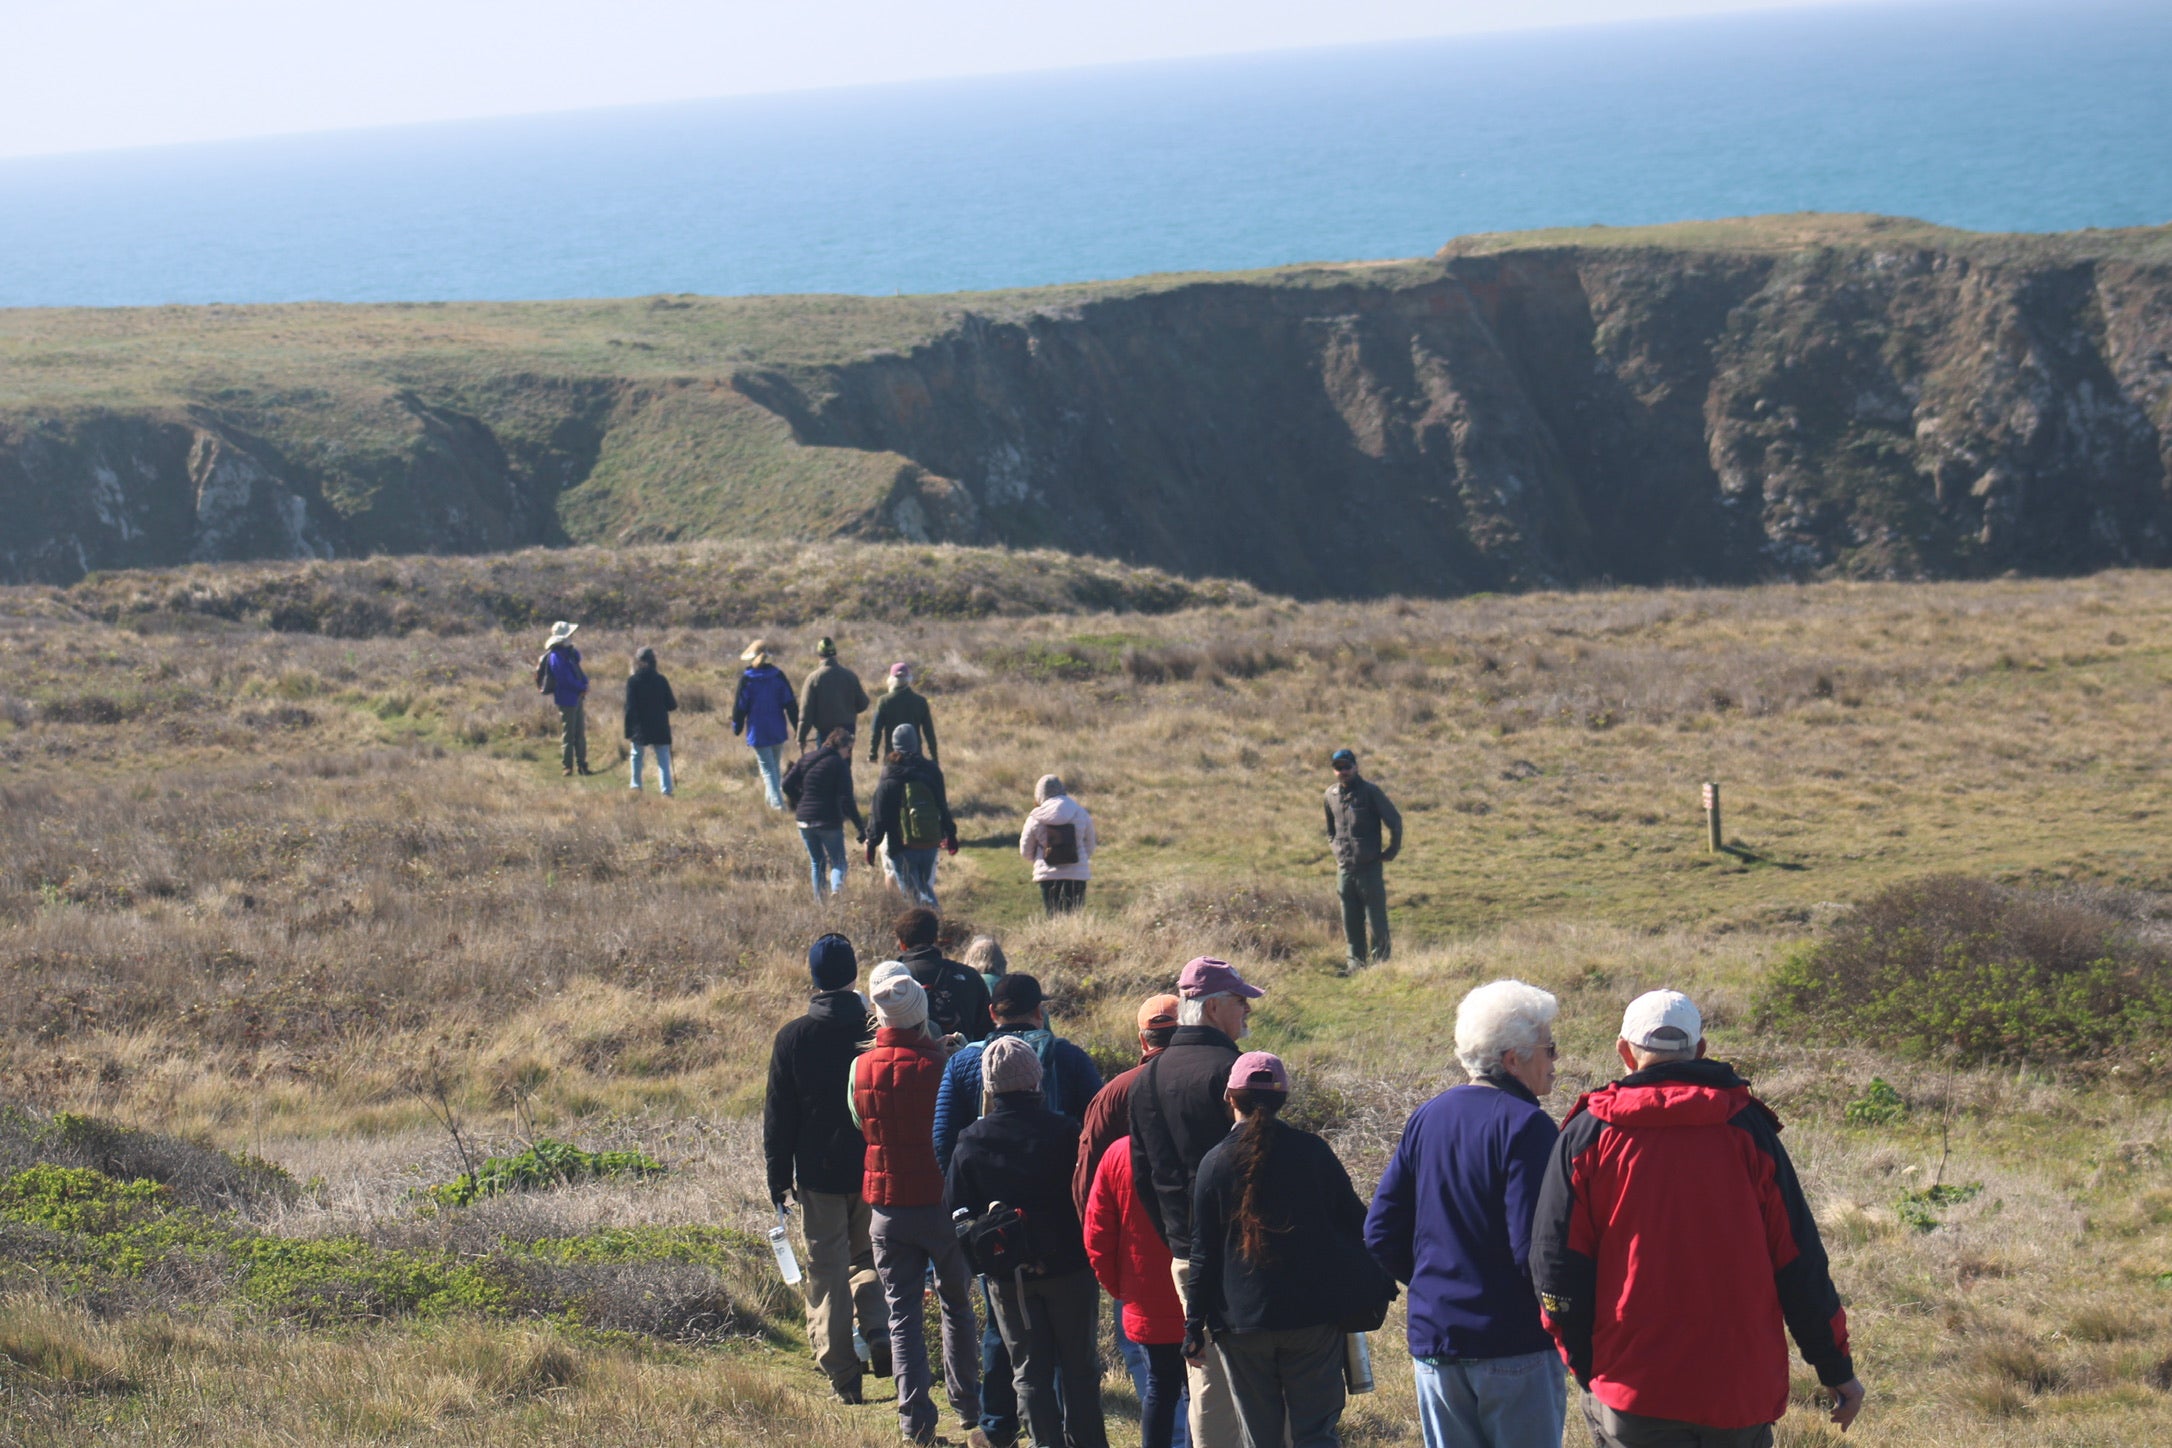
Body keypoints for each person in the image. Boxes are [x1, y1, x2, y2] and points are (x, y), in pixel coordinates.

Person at [1532, 990, 1865, 1448]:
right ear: (1702, 1050)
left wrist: (1586, 1364)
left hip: (1632, 1387)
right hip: (1738, 1391)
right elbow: (1799, 1263)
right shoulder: (1750, 1129)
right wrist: (1836, 1369)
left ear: (1623, 1051)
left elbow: (1555, 1265)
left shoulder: (1588, 1133)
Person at [1365, 980, 1566, 1448]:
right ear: (1513, 1059)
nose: (1555, 1061)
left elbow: (1379, 1231)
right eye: (1549, 1049)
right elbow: (1531, 1249)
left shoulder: (1428, 1115)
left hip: (1437, 1339)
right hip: (1510, 1340)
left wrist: (1437, 1283)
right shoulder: (1528, 1124)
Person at [1187, 1052, 1393, 1448]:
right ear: (1284, 1099)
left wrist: (1193, 1325)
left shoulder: (1214, 1163)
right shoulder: (1313, 1153)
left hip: (1241, 1322)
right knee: (1315, 1435)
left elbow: (1204, 1253)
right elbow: (1360, 1224)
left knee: (1259, 1438)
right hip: (1313, 1319)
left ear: (1230, 1097)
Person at [935, 972, 1105, 1448]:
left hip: (1009, 1270)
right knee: (1080, 1369)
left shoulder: (972, 1141)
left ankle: (1025, 1435)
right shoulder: (1068, 1133)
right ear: (1037, 1077)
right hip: (1071, 1265)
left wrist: (981, 1244)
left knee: (1027, 1370)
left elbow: (950, 1191)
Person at [851, 970, 990, 1448]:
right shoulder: (944, 1064)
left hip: (887, 1206)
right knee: (957, 1303)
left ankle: (915, 1422)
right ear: (921, 1018)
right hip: (940, 1202)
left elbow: (858, 1119)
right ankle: (969, 1404)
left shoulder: (860, 1068)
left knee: (901, 1313)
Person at [1131, 957, 1265, 1448]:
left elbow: (1143, 1175)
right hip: (1245, 1249)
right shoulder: (1233, 1071)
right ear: (1211, 1008)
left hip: (1186, 1250)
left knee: (1205, 1375)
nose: (1246, 1010)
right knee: (1263, 1373)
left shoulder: (1146, 1078)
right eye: (1238, 1001)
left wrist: (1176, 1235)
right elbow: (1258, 1168)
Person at [763, 934, 891, 1402]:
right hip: (873, 1163)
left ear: (813, 978)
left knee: (827, 1268)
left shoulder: (793, 1037)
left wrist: (778, 1179)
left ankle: (842, 1374)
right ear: (855, 974)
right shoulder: (877, 1029)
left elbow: (779, 1116)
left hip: (817, 1173)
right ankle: (878, 1329)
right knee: (869, 1258)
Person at [935, 974, 1103, 1170]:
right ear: (1039, 1012)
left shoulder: (962, 1061)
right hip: (1055, 1187)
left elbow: (943, 1137)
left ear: (992, 1013)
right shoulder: (1070, 1057)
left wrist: (962, 1187)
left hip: (988, 1188)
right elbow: (1099, 1126)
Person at [1086, 1128, 1189, 1448]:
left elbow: (1097, 1236)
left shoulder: (1117, 1155)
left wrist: (1123, 1291)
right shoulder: (1196, 1143)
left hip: (1145, 1301)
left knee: (1160, 1390)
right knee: (1200, 1395)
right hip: (1197, 1299)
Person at [1323, 748, 1402, 972]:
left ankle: (1381, 966)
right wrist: (1336, 850)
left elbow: (1395, 821)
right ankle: (1355, 965)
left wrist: (1391, 851)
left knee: (1377, 921)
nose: (1343, 771)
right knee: (1350, 921)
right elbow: (1331, 830)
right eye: (1338, 768)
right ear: (1334, 770)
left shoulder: (1370, 792)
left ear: (1356, 767)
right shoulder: (1330, 795)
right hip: (1345, 870)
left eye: (1347, 766)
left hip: (1369, 869)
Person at [867, 724, 956, 908]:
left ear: (894, 745)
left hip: (900, 845)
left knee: (911, 897)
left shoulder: (889, 774)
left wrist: (872, 842)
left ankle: (922, 932)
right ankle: (937, 925)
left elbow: (878, 813)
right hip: (929, 842)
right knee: (926, 889)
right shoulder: (931, 770)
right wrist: (951, 834)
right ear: (916, 743)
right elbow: (942, 805)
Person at [783, 728, 865, 901]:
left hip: (804, 820)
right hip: (828, 820)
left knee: (816, 863)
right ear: (840, 746)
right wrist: (860, 828)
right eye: (848, 749)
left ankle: (821, 903)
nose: (849, 754)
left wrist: (800, 801)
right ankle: (836, 890)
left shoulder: (806, 759)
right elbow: (847, 799)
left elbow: (786, 784)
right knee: (839, 862)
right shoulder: (839, 765)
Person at [892, 907, 993, 1044]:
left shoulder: (892, 981)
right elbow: (985, 1034)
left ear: (902, 945)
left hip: (906, 1062)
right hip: (963, 1060)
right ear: (935, 939)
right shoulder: (970, 976)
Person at [732, 638, 799, 810]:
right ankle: (770, 802)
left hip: (758, 730)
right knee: (774, 767)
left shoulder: (747, 679)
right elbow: (790, 702)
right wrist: (798, 727)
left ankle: (778, 805)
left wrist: (737, 726)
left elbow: (740, 707)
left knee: (768, 770)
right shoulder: (778, 675)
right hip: (777, 728)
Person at [1020, 775, 1097, 916]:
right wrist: (1080, 858)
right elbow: (1090, 844)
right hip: (1077, 874)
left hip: (1048, 875)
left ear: (1039, 794)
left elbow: (1025, 849)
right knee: (1075, 917)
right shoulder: (1081, 813)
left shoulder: (1035, 817)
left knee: (1053, 917)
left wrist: (1039, 860)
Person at [537, 620, 593, 777]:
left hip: (576, 696)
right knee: (569, 734)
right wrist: (582, 687)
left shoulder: (567, 653)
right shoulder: (556, 656)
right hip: (566, 698)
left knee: (579, 733)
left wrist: (583, 687)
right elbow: (564, 679)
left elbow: (577, 661)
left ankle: (582, 765)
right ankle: (567, 766)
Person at [623, 645, 678, 796]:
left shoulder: (633, 681)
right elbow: (672, 705)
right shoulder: (661, 680)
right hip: (659, 725)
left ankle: (636, 787)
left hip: (640, 726)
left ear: (639, 662)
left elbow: (629, 708)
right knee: (663, 759)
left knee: (636, 756)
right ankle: (666, 792)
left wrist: (628, 730)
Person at [801, 636, 873, 749]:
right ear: (835, 654)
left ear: (819, 655)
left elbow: (806, 712)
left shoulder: (813, 678)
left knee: (824, 764)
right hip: (847, 730)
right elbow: (863, 704)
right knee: (844, 765)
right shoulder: (850, 676)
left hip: (825, 731)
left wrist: (801, 737)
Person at [870, 662, 940, 766]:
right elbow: (929, 732)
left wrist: (873, 754)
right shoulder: (920, 701)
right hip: (915, 755)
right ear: (908, 679)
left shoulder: (884, 701)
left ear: (891, 680)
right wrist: (934, 758)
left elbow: (876, 730)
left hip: (892, 756)